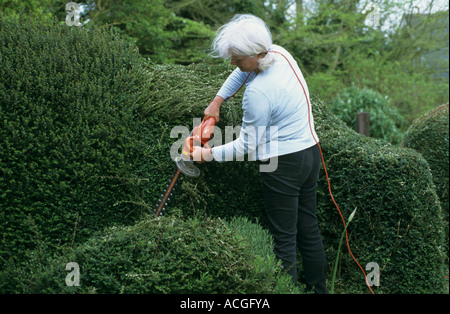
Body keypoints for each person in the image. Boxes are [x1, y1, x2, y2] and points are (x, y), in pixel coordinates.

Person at [192, 14, 328, 294]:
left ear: (255, 54)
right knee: (309, 230)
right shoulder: (278, 53)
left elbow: (247, 146)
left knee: (284, 239)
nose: (233, 62)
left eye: (237, 58)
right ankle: (319, 291)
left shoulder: (258, 94)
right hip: (310, 154)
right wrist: (217, 101)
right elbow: (242, 71)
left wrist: (207, 155)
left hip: (282, 165)